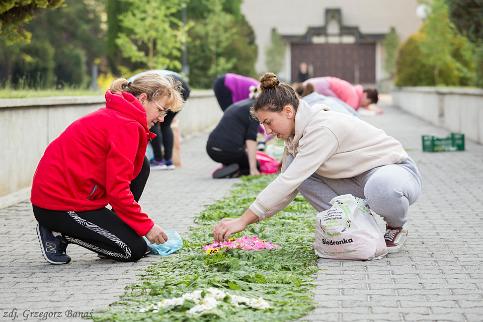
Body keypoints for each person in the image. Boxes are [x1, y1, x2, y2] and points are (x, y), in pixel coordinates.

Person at [213, 73, 422, 254]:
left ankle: (396, 226)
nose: (266, 131)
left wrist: (242, 220)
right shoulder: (294, 139)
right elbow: (287, 187)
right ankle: (357, 225)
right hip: (354, 179)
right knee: (302, 179)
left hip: (394, 171)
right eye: (262, 125)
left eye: (268, 122)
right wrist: (247, 219)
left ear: (288, 111)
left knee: (380, 188)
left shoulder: (322, 128)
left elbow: (286, 181)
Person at [31, 73, 184, 264]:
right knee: (133, 250)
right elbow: (118, 190)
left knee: (141, 164)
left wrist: (129, 224)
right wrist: (147, 227)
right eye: (160, 110)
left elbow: (122, 180)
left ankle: (111, 232)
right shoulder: (125, 125)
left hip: (78, 197)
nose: (161, 119)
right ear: (143, 99)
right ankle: (57, 232)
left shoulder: (124, 118)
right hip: (58, 205)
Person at [130, 70, 191, 170]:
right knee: (166, 124)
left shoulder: (136, 85)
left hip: (174, 84)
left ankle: (158, 160)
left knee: (154, 123)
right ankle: (168, 160)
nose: (161, 118)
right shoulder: (141, 82)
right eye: (160, 110)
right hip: (181, 85)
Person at [206, 97, 260, 178]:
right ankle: (237, 170)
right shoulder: (255, 110)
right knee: (257, 164)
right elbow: (251, 139)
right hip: (229, 151)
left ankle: (229, 166)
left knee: (240, 155)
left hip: (211, 149)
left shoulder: (240, 105)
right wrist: (253, 168)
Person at [303, 76, 379, 111]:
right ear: (365, 95)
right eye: (368, 103)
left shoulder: (354, 92)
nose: (366, 105)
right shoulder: (354, 99)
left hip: (317, 82)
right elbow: (349, 115)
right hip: (322, 87)